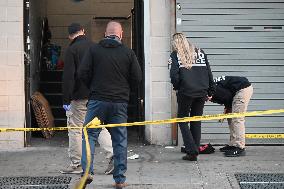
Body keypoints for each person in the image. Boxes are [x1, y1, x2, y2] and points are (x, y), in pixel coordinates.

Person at [78, 21, 142, 188]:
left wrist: (93, 87)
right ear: (120, 35)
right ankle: (119, 179)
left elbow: (82, 73)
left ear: (105, 34)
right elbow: (137, 77)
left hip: (97, 100)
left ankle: (87, 172)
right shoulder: (128, 53)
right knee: (119, 139)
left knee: (89, 135)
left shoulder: (93, 50)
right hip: (119, 102)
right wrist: (125, 90)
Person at [61, 23, 114, 174]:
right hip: (96, 95)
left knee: (75, 129)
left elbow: (68, 77)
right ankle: (113, 155)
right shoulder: (95, 47)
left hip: (79, 97)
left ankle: (76, 164)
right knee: (97, 126)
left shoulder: (72, 50)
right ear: (83, 31)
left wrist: (66, 99)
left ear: (70, 36)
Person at [169, 33, 215, 161]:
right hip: (202, 91)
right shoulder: (200, 52)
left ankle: (191, 150)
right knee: (196, 120)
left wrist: (178, 86)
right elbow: (209, 72)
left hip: (186, 91)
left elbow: (173, 76)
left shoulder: (176, 55)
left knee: (182, 119)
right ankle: (194, 149)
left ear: (175, 44)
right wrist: (211, 90)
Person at [209, 76, 253, 157]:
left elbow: (227, 97)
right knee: (230, 118)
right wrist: (227, 111)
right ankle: (233, 144)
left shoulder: (213, 89)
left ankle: (240, 147)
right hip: (236, 91)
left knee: (237, 119)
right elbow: (228, 98)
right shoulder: (211, 87)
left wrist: (226, 110)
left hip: (242, 89)